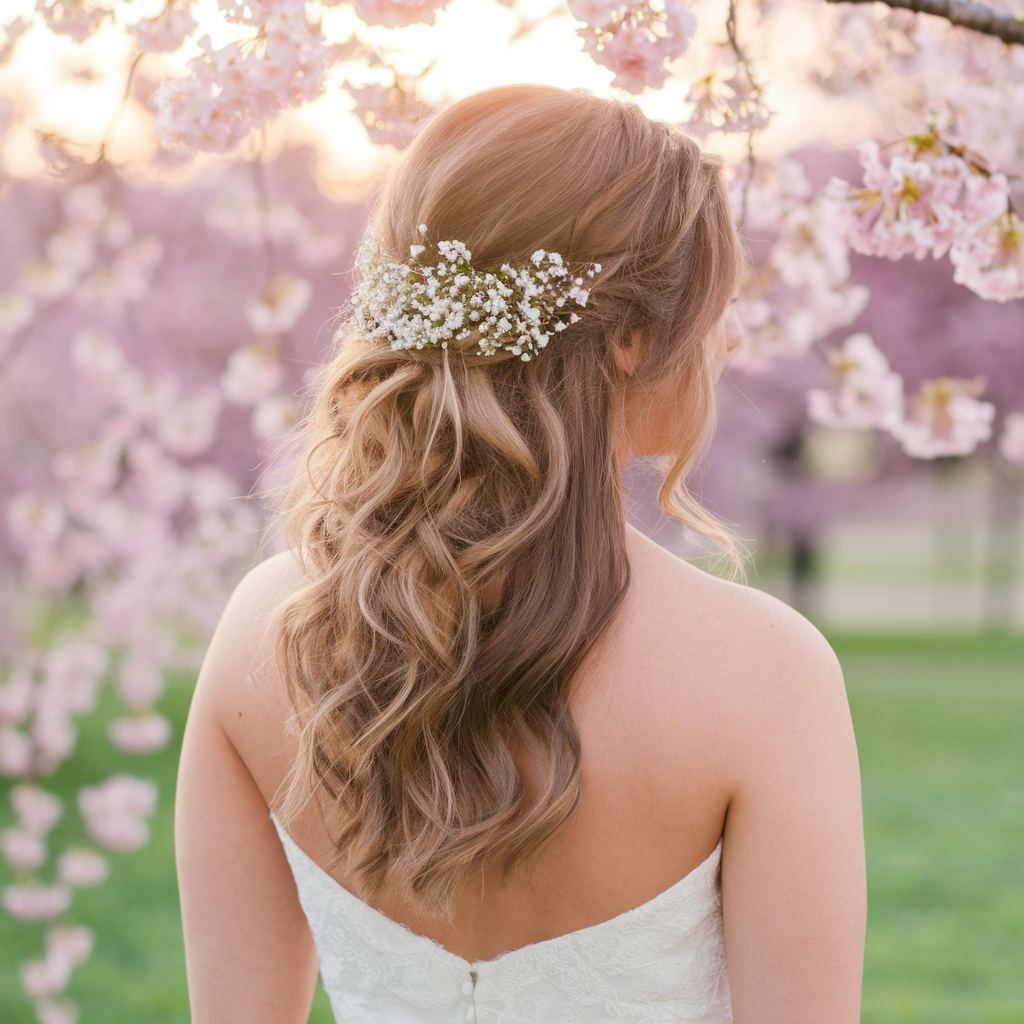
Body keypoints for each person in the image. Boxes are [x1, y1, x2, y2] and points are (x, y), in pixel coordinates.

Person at [175, 83, 865, 1024]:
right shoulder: (768, 676)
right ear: (631, 339)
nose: (727, 339)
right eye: (719, 307)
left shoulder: (264, 633)